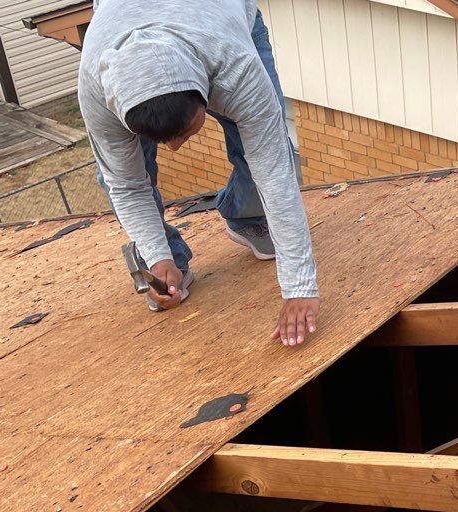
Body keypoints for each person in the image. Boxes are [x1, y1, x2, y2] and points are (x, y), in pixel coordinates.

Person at [77, 0, 319, 346]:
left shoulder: (235, 66)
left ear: (207, 92)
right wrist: (156, 254)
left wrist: (299, 287)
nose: (176, 148)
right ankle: (169, 266)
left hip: (222, 21)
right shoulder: (97, 92)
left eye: (186, 132)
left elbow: (275, 172)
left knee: (263, 147)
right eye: (166, 139)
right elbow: (128, 186)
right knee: (111, 174)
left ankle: (246, 217)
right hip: (119, 25)